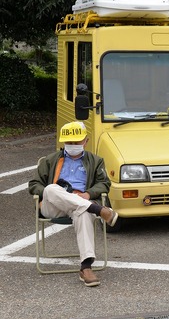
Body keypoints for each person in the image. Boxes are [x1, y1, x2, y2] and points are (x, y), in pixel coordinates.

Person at [29, 121, 116, 287]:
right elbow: (34, 184)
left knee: (83, 212)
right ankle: (98, 210)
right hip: (53, 205)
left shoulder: (96, 161)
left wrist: (88, 194)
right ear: (63, 142)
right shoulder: (50, 160)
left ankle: (86, 267)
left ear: (86, 141)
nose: (73, 145)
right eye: (69, 143)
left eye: (77, 142)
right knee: (51, 189)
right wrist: (52, 192)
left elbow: (104, 183)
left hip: (80, 203)